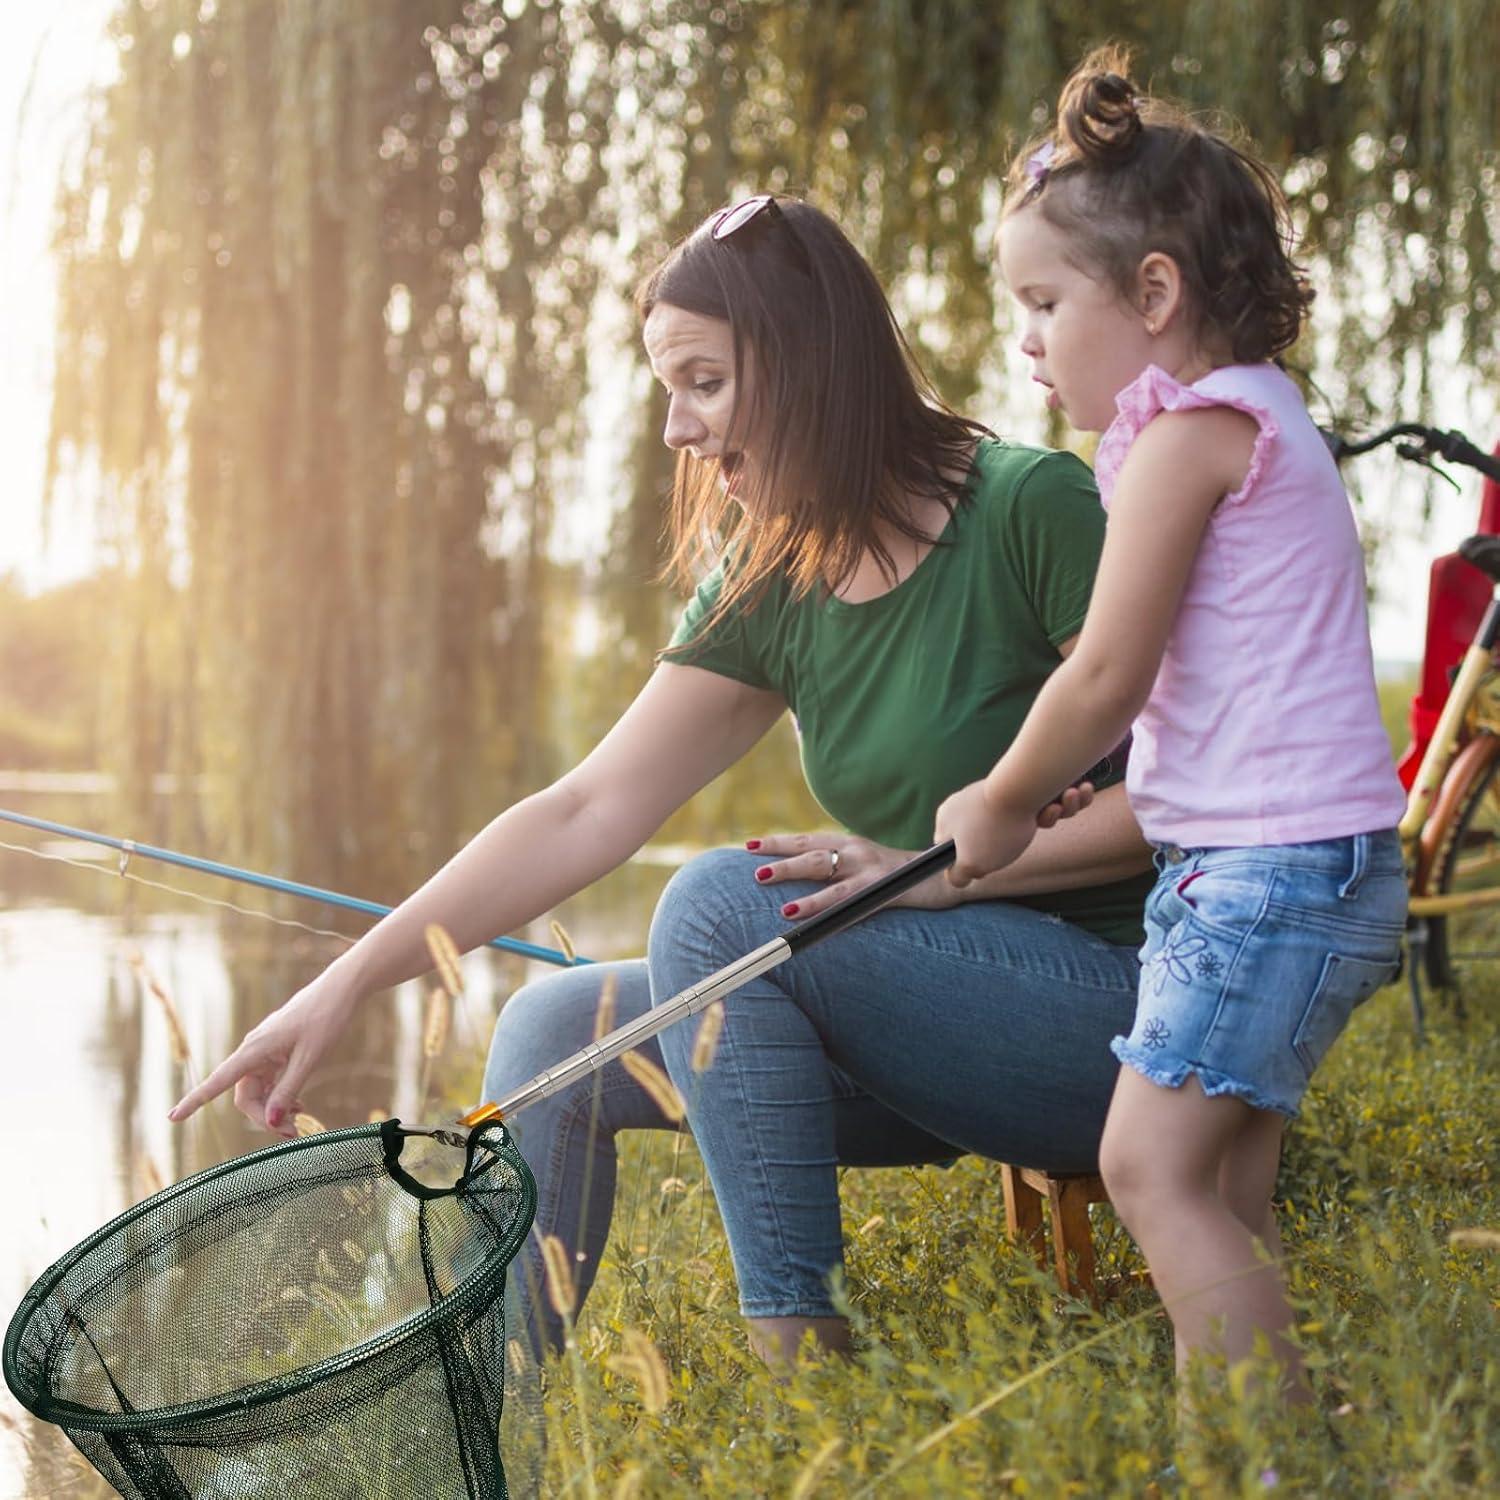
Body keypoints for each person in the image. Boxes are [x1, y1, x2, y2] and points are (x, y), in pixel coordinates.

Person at [171, 194, 1155, 1370]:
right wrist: (344, 987)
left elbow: (1193, 807)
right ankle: (498, 1420)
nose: (678, 431)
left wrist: (921, 882)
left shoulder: (1030, 508)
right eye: (666, 391)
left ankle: (803, 1363)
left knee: (721, 903)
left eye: (705, 383)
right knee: (549, 1026)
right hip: (914, 1032)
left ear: (808, 363)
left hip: (1119, 1031)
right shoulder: (777, 571)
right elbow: (587, 808)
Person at [935, 48, 1408, 1410]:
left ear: (1155, 294)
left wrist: (1007, 797)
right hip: (1291, 862)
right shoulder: (1257, 419)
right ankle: (1258, 1439)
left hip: (1267, 876)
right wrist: (1134, 793)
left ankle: (1269, 1455)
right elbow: (1216, 681)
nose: (1024, 338)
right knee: (1224, 1186)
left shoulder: (1192, 434)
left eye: (1042, 301)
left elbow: (1102, 673)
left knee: (1147, 1167)